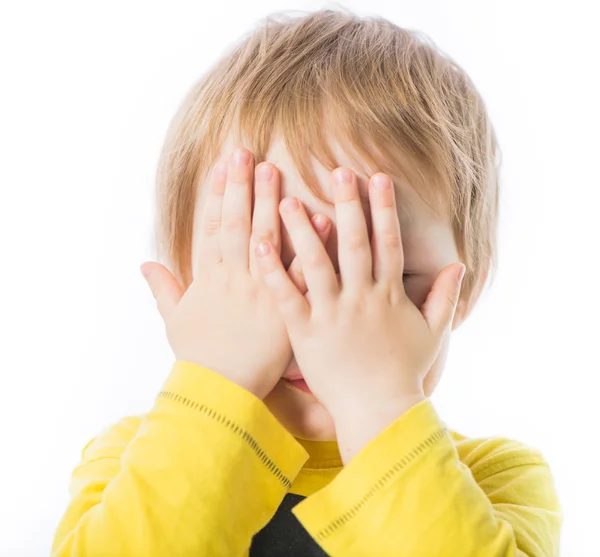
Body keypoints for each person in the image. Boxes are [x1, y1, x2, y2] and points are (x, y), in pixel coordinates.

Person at [51, 8, 562, 556]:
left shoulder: (496, 481)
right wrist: (215, 383)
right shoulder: (133, 459)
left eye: (378, 276)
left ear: (465, 291)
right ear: (188, 283)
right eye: (261, 265)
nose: (318, 315)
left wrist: (377, 401)